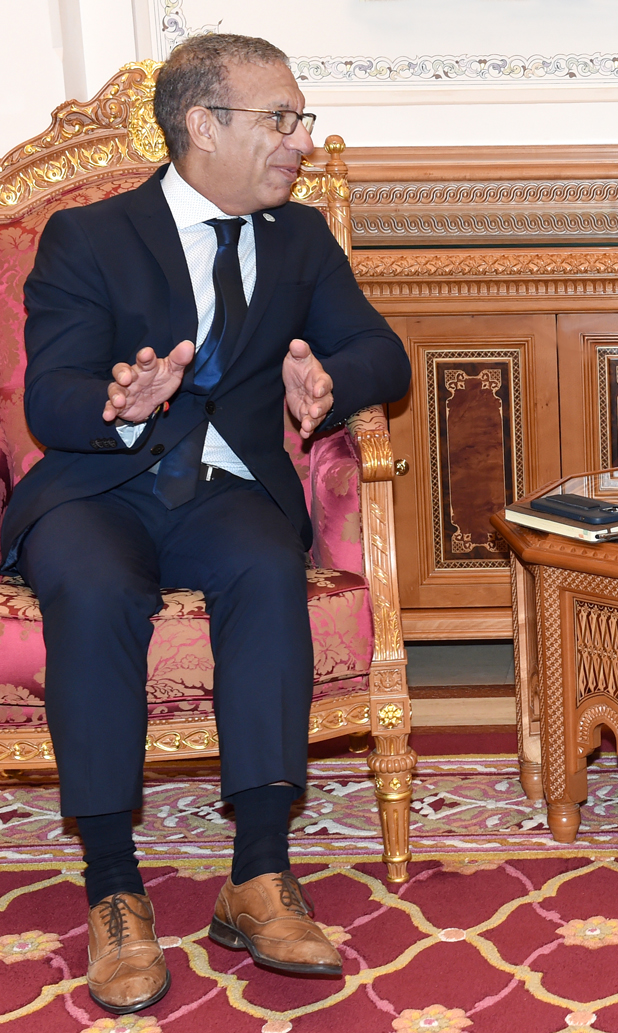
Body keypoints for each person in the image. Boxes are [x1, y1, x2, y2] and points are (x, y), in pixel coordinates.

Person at [0, 35, 410, 1013]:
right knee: (93, 586)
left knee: (267, 569)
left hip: (226, 491)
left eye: (301, 120)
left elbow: (383, 352)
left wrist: (330, 378)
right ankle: (114, 888)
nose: (298, 140)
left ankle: (258, 874)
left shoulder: (300, 238)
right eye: (280, 119)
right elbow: (48, 395)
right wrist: (119, 402)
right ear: (204, 126)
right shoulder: (89, 238)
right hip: (100, 486)